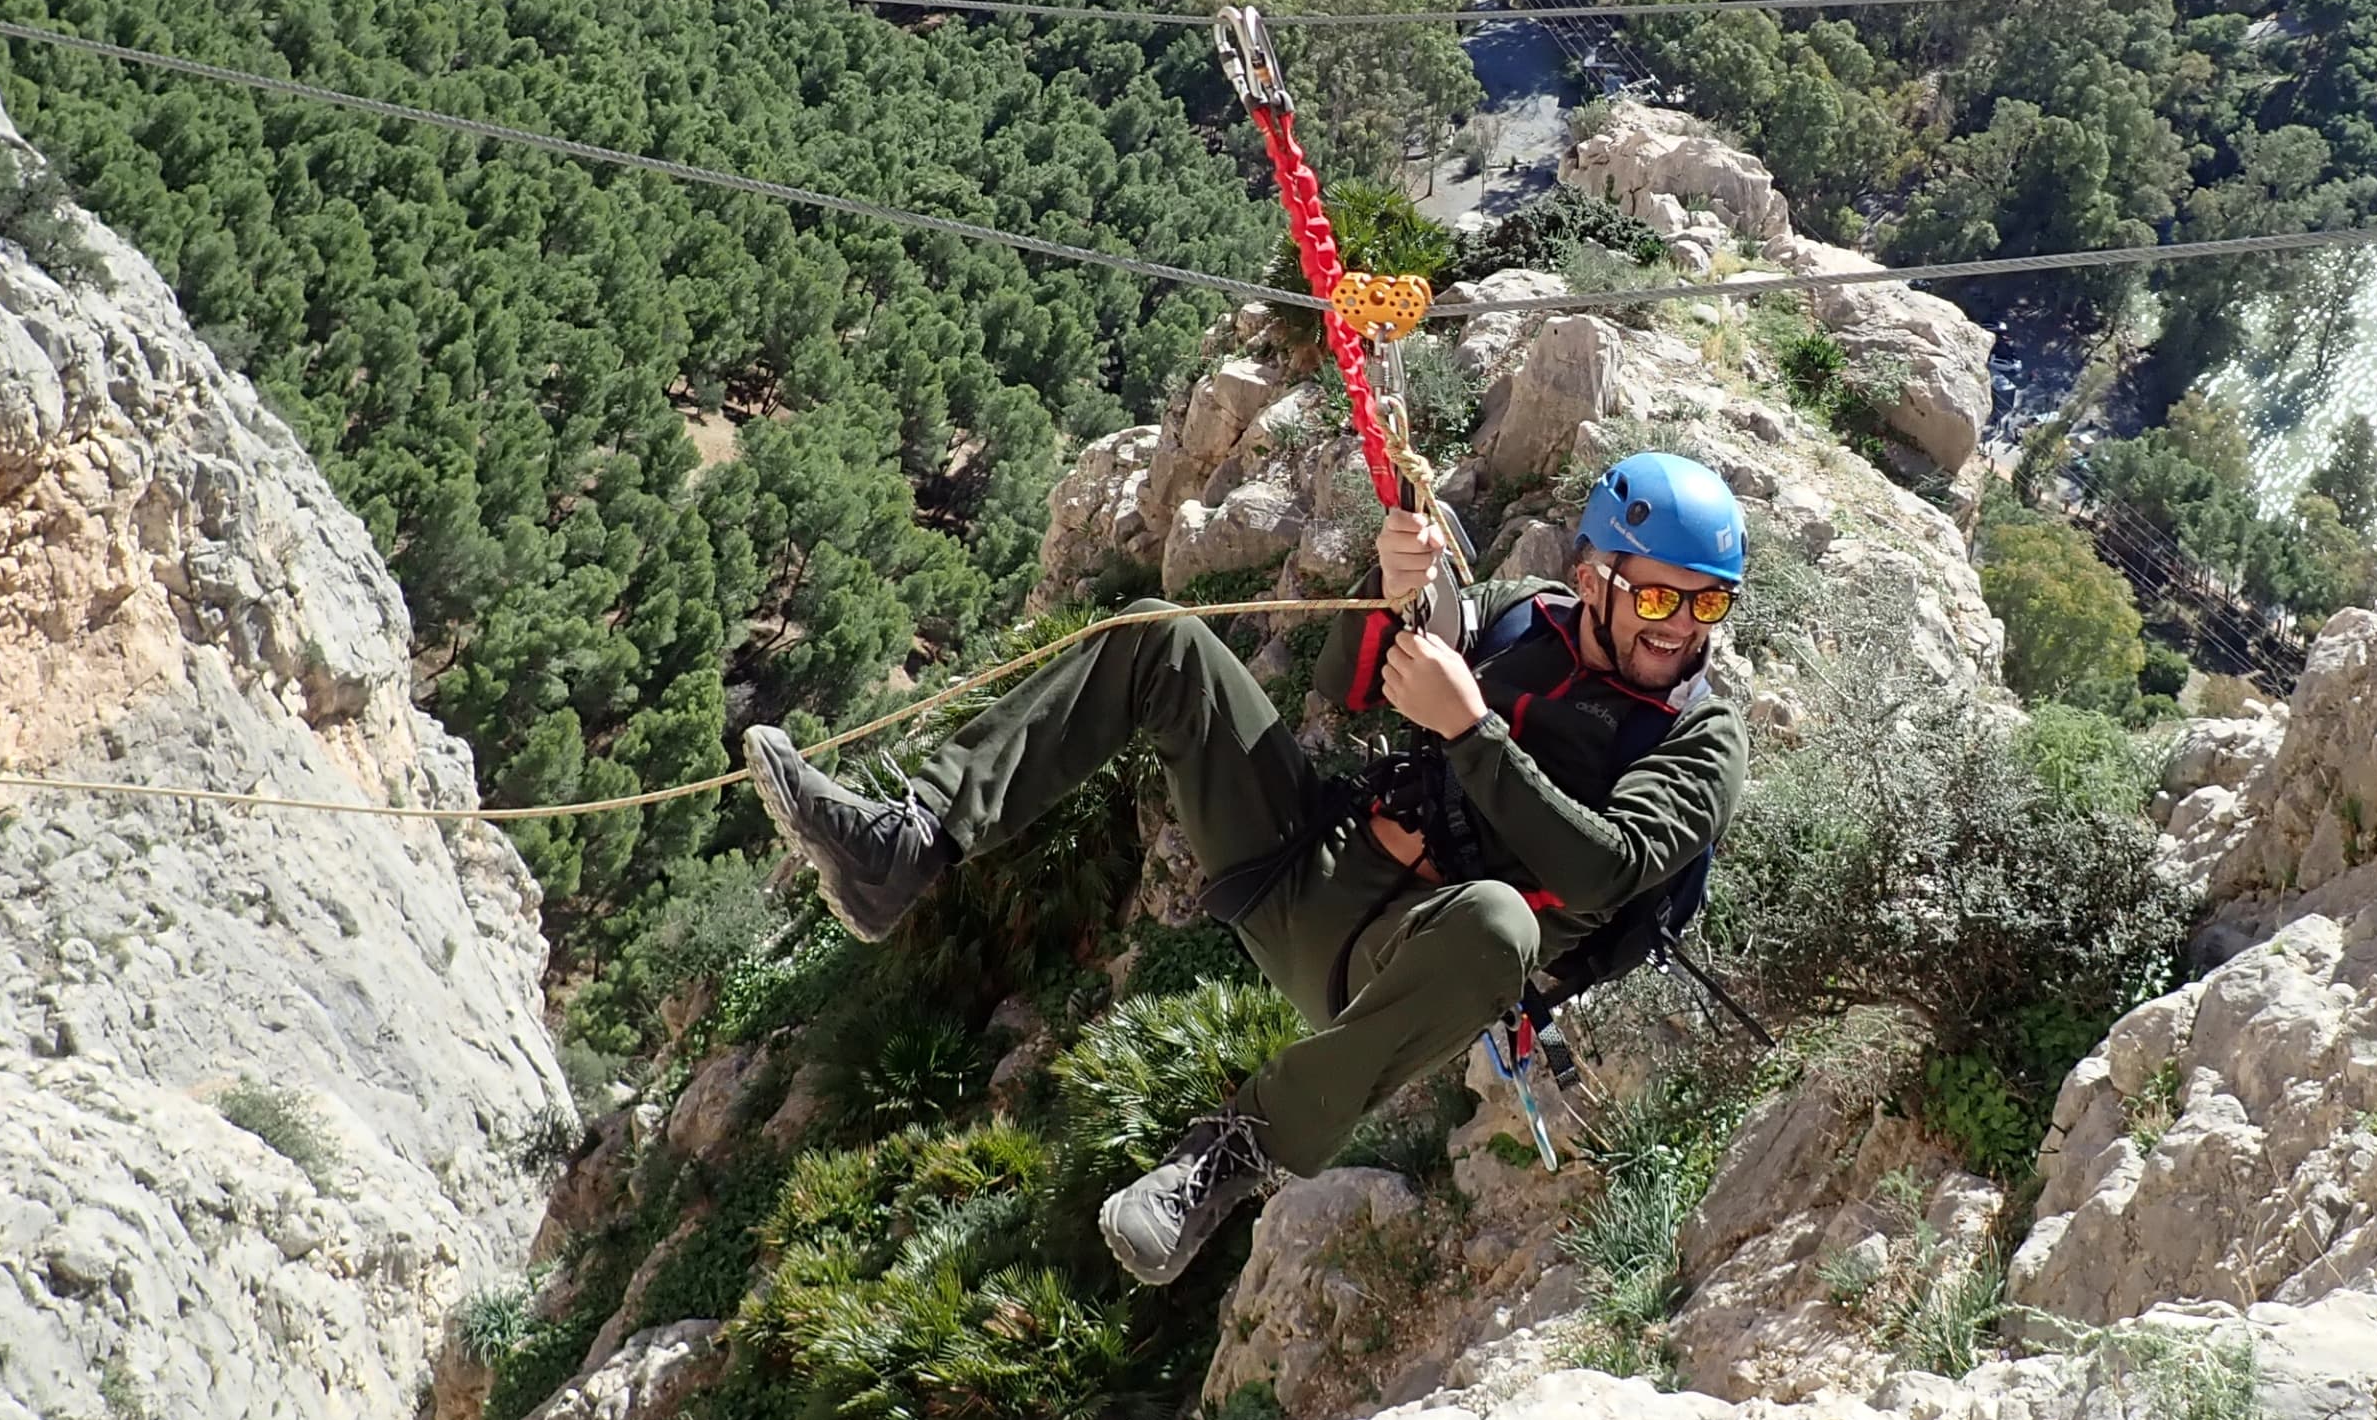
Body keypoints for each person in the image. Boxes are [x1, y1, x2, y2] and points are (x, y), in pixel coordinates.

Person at [741, 450, 1752, 1285]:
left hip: (1405, 959)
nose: (1681, 625)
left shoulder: (1701, 739)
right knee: (1163, 643)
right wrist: (1392, 593)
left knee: (1501, 922)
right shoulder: (1527, 616)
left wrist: (1471, 728)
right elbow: (1349, 684)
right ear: (1592, 576)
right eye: (1660, 594)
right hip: (1310, 860)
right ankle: (908, 845)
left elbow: (1608, 871)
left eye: (1708, 603)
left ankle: (1231, 1152)